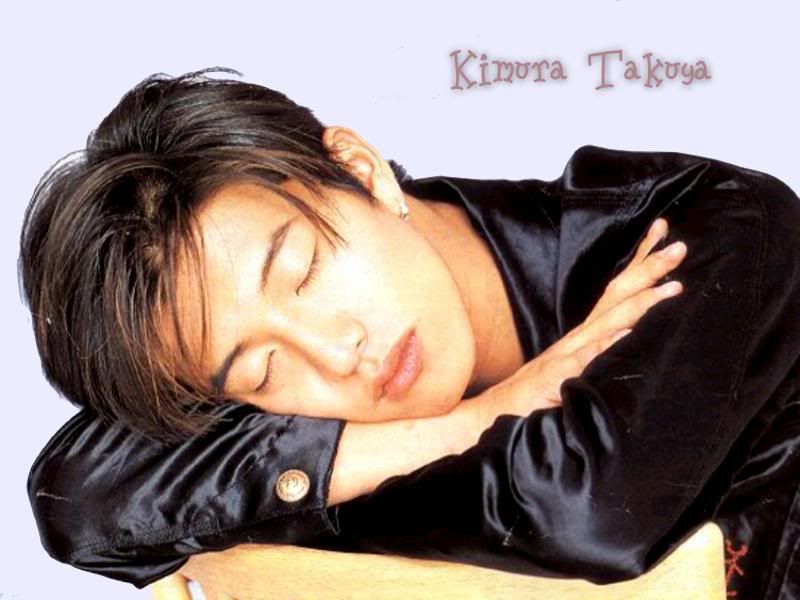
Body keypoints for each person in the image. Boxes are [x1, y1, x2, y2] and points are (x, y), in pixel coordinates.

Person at [21, 68, 800, 600]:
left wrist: (314, 506)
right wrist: (473, 420)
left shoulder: (714, 226)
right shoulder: (316, 416)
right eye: (262, 372)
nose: (337, 353)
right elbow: (80, 502)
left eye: (303, 270)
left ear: (360, 170)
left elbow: (591, 513)